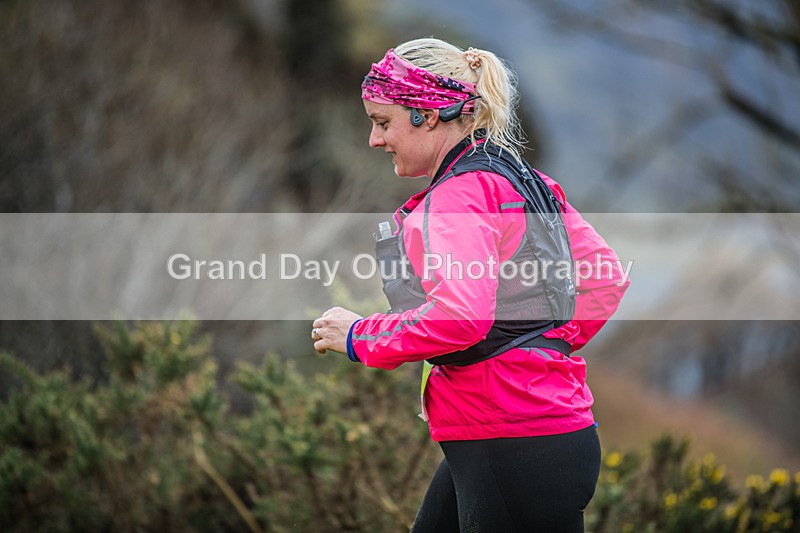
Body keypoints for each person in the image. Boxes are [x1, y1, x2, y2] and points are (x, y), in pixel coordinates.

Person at [311, 37, 629, 532]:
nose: (374, 139)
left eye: (382, 122)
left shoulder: (458, 198)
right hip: (540, 433)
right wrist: (535, 349)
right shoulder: (523, 179)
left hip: (509, 440)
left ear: (427, 115)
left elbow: (460, 318)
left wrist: (359, 336)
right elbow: (604, 278)